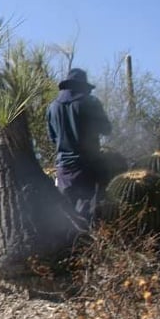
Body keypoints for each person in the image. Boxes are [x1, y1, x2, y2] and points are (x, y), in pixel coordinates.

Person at [47, 68, 112, 222]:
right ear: (83, 86)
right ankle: (89, 245)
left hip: (63, 168)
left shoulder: (52, 107)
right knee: (87, 213)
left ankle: (70, 245)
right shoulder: (90, 102)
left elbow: (53, 137)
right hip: (87, 167)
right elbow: (106, 129)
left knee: (68, 216)